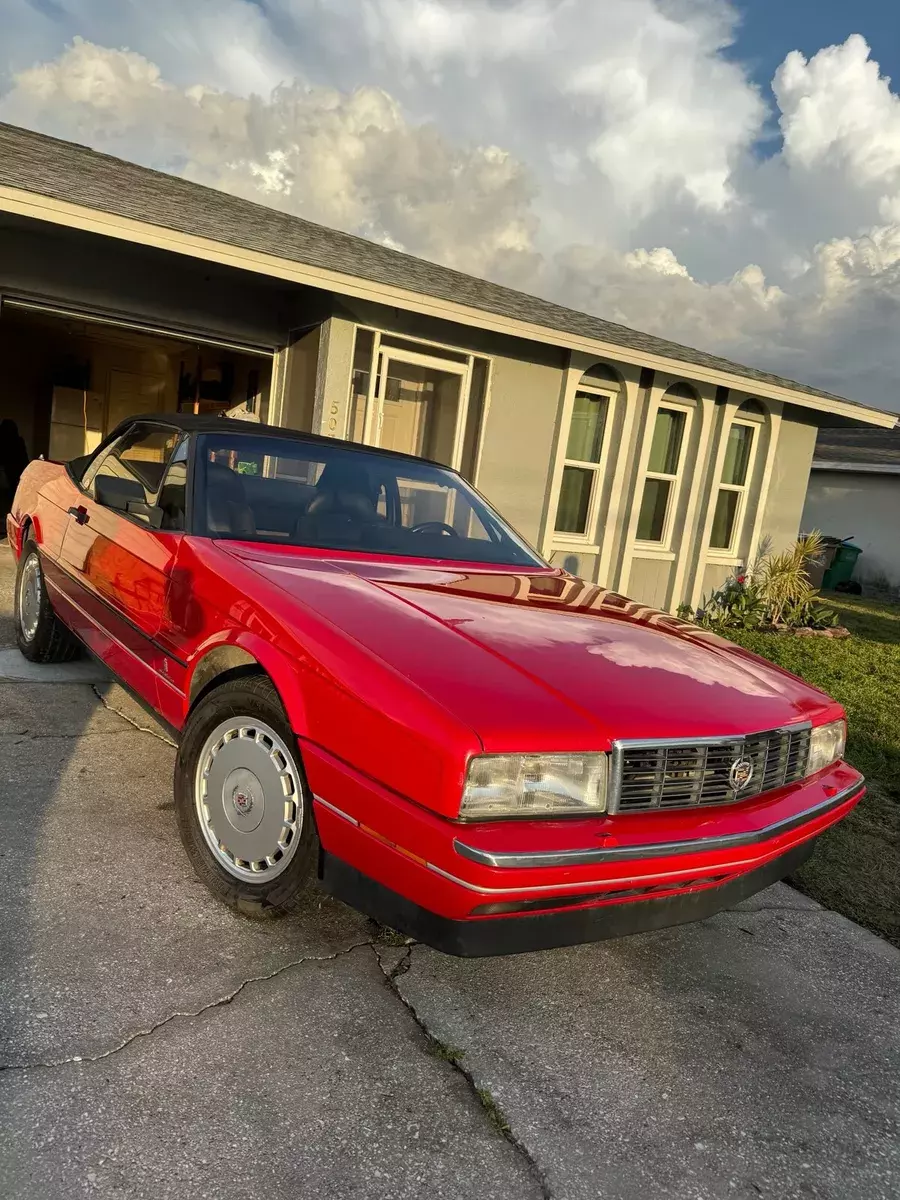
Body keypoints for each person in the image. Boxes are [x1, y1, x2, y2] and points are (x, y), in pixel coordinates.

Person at [0, 419, 29, 523]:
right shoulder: (18, 441)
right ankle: (11, 518)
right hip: (16, 473)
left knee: (6, 497)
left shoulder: (3, 440)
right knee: (13, 497)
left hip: (8, 472)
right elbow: (24, 458)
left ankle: (6, 518)